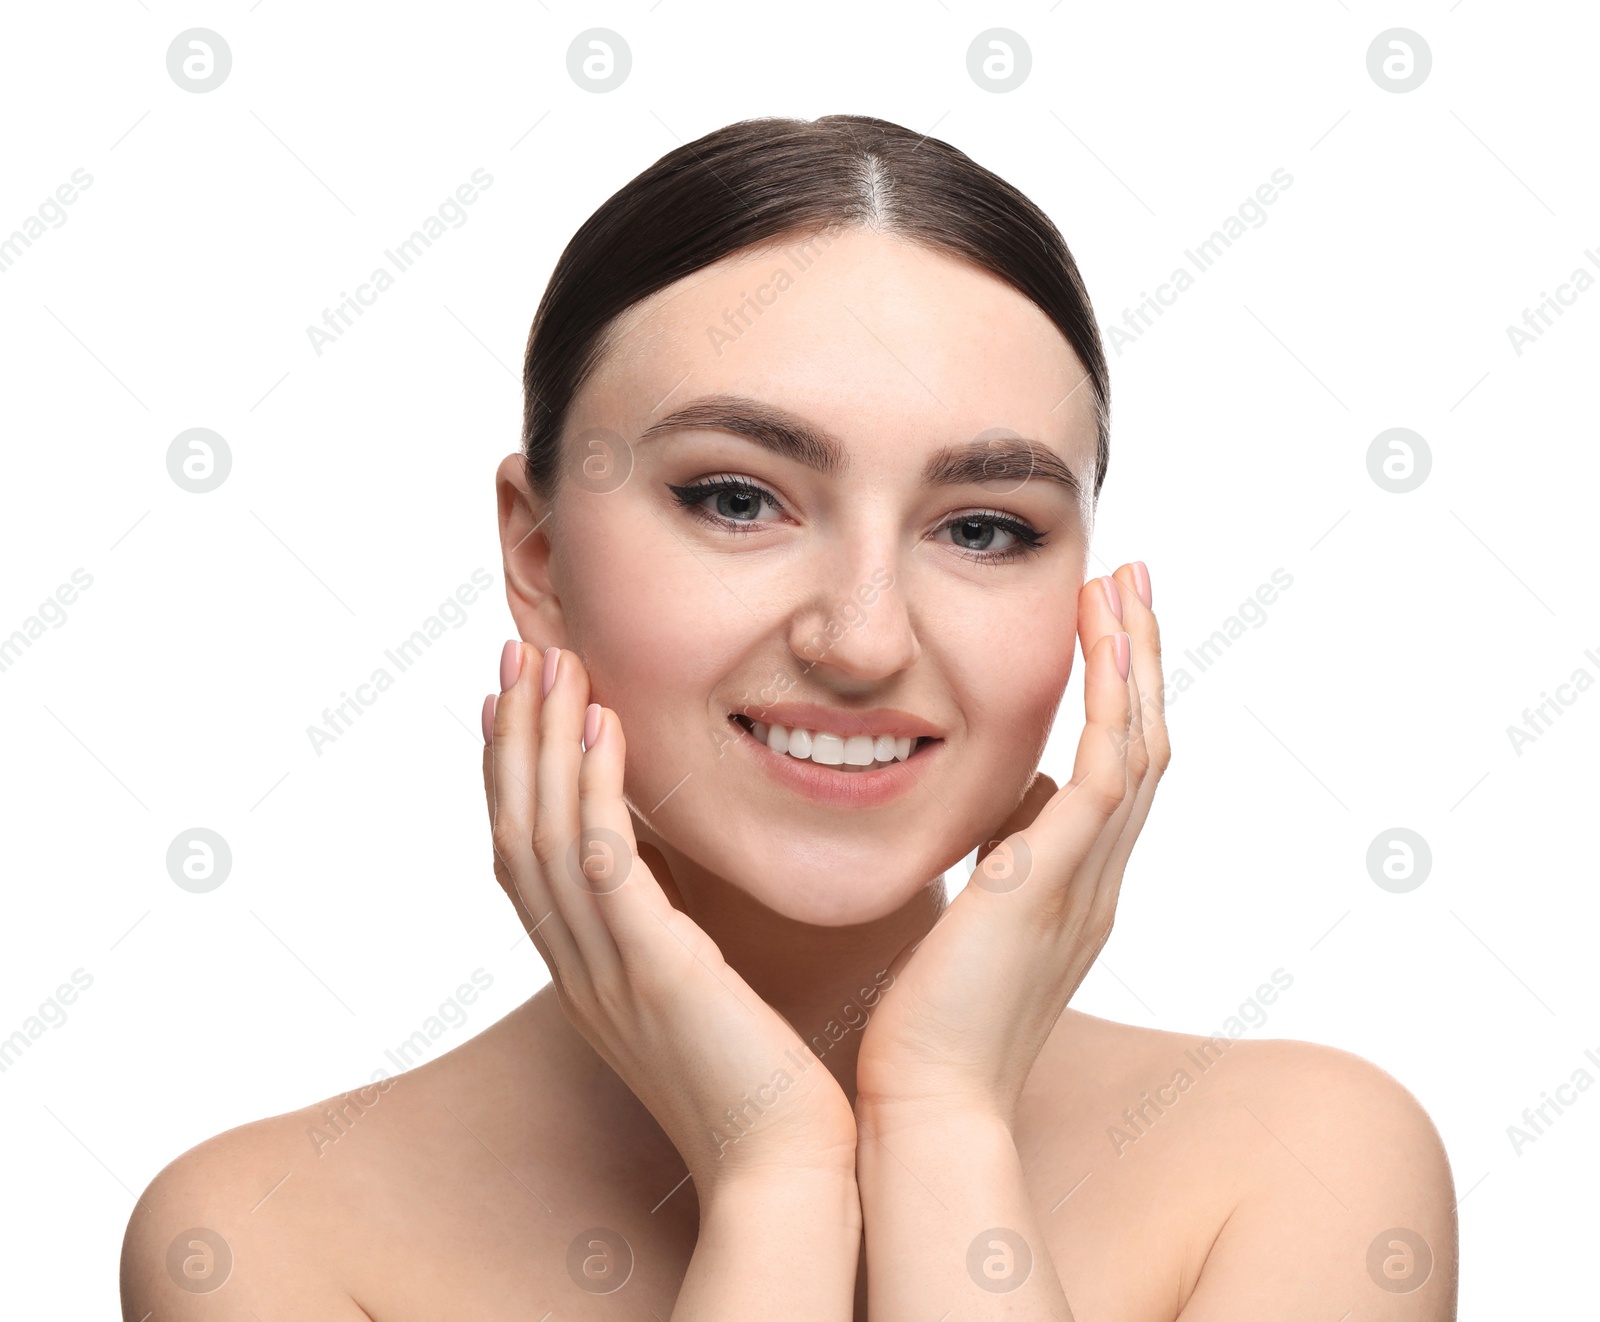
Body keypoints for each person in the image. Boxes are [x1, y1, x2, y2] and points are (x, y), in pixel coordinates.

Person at [121, 115, 1458, 1321]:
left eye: (985, 526)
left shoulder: (1307, 1167)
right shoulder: (264, 1241)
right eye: (736, 498)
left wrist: (939, 1121)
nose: (864, 637)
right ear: (537, 555)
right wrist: (776, 1176)